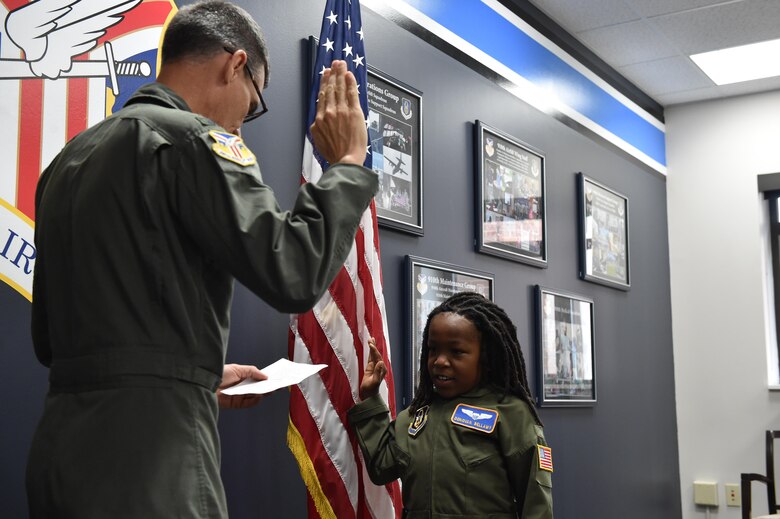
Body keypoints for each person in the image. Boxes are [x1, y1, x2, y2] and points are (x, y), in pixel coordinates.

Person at [26, 1, 376, 518]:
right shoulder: (197, 141)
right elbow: (294, 273)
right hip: (152, 458)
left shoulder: (69, 159)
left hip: (61, 449)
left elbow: (52, 341)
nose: (243, 122)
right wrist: (346, 165)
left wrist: (193, 379)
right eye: (252, 103)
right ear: (235, 66)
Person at [348, 292, 554, 518]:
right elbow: (381, 467)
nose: (440, 361)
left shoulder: (511, 413)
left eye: (456, 352)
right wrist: (370, 398)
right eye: (433, 349)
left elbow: (537, 504)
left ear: (484, 357)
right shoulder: (417, 416)